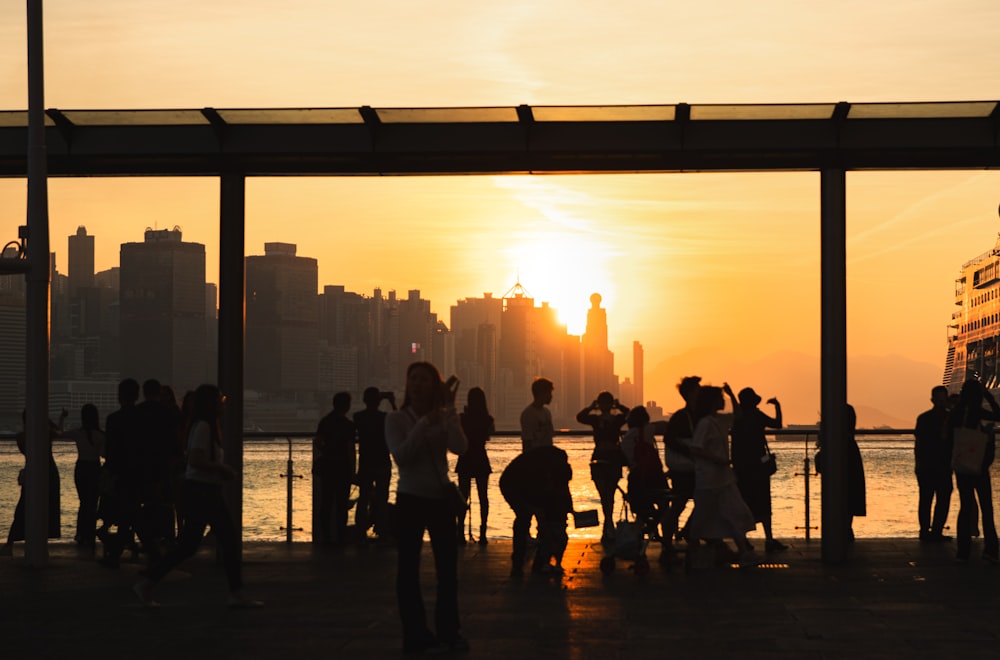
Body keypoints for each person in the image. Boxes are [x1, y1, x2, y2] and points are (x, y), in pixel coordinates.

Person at [133, 384, 262, 608]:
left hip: (202, 490)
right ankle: (235, 593)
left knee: (189, 546)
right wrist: (222, 469)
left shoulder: (201, 426)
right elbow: (195, 459)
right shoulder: (204, 428)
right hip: (204, 491)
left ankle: (148, 581)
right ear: (211, 404)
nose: (223, 403)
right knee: (227, 541)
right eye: (220, 399)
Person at [385, 362, 469, 655]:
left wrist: (450, 412)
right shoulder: (395, 420)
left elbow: (460, 448)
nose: (417, 384)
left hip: (439, 499)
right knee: (407, 570)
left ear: (435, 386)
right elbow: (402, 457)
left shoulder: (444, 417)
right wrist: (424, 424)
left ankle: (449, 630)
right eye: (413, 379)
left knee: (448, 569)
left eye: (424, 380)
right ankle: (416, 635)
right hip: (410, 498)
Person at [686, 384, 758, 568]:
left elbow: (738, 415)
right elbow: (696, 448)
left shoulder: (717, 420)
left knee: (733, 512)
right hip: (709, 479)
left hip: (723, 478)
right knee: (705, 516)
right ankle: (694, 552)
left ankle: (742, 551)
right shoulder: (705, 423)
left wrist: (732, 394)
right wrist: (717, 459)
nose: (722, 401)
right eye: (720, 398)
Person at [499, 444, 573, 578]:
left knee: (543, 515)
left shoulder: (559, 464)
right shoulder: (538, 478)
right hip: (512, 484)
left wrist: (570, 509)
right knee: (524, 518)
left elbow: (562, 488)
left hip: (525, 479)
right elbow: (541, 515)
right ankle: (518, 563)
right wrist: (549, 537)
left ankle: (540, 560)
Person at [1, 408, 67, 557]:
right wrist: (59, 419)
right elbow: (59, 432)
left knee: (23, 506)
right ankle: (41, 543)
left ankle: (10, 543)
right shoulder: (46, 433)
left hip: (32, 471)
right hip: (49, 471)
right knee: (47, 507)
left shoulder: (22, 437)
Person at [947, 378, 1000, 563]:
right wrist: (989, 396)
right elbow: (999, 415)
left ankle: (963, 551)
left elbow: (948, 438)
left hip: (962, 466)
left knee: (965, 506)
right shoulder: (976, 411)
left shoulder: (956, 412)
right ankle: (991, 549)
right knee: (986, 507)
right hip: (978, 466)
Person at [730, 387, 787, 553]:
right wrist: (777, 406)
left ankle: (744, 540)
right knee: (763, 503)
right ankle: (769, 539)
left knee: (745, 503)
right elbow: (777, 424)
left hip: (741, 468)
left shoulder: (737, 419)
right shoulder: (757, 416)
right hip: (759, 467)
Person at [576, 391, 629, 543]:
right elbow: (580, 417)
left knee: (610, 494)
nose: (605, 407)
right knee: (604, 494)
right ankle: (608, 525)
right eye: (603, 403)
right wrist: (591, 407)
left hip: (612, 458)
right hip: (599, 458)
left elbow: (630, 415)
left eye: (607, 403)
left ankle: (608, 525)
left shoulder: (617, 419)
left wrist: (618, 406)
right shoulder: (595, 419)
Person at [660, 375, 701, 558]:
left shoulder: (694, 415)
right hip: (685, 470)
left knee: (697, 502)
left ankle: (685, 534)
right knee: (680, 504)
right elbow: (668, 439)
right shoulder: (682, 417)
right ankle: (669, 542)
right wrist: (688, 451)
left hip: (691, 468)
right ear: (691, 393)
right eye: (698, 389)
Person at [314, 391, 357, 547]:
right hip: (343, 468)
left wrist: (327, 451)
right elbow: (350, 450)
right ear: (346, 406)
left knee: (326, 503)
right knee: (341, 505)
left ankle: (325, 537)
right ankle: (340, 538)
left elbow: (318, 441)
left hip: (328, 466)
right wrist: (353, 471)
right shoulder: (348, 425)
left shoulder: (325, 421)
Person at [353, 386, 395, 541]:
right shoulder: (385, 418)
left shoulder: (358, 417)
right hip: (383, 462)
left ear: (364, 400)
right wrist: (390, 400)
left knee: (363, 497)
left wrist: (379, 397)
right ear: (379, 401)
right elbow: (398, 420)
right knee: (382, 499)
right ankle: (383, 532)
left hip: (366, 463)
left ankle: (360, 532)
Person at [913, 385, 953, 542]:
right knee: (935, 499)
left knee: (930, 499)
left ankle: (929, 531)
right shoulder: (948, 419)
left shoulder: (924, 418)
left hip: (934, 465)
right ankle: (932, 531)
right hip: (934, 465)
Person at [65, 403, 106, 549]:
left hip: (81, 467)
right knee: (93, 503)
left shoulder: (78, 433)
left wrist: (61, 419)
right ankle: (90, 534)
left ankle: (80, 533)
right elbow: (104, 454)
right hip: (95, 468)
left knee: (83, 502)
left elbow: (59, 433)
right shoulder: (101, 435)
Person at [456, 386, 493, 545]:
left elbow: (458, 434)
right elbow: (489, 435)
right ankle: (483, 532)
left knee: (463, 497)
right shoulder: (487, 419)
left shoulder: (462, 417)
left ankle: (460, 532)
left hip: (465, 457)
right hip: (480, 457)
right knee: (483, 497)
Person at [520, 377, 555, 452]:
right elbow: (527, 442)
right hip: (535, 457)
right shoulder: (529, 414)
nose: (551, 396)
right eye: (549, 392)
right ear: (542, 393)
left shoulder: (547, 412)